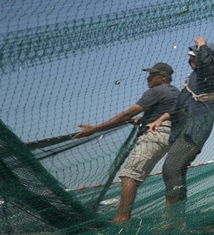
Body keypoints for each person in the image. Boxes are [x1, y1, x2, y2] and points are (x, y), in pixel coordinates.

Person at [72, 62, 179, 222]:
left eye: (152, 74)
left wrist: (94, 129)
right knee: (134, 176)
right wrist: (144, 120)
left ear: (163, 77)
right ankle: (168, 220)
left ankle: (122, 219)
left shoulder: (156, 90)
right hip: (167, 136)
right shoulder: (174, 92)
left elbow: (127, 114)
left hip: (154, 136)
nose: (148, 77)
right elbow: (168, 112)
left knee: (128, 175)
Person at [148, 36, 214, 226]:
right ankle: (178, 220)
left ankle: (170, 219)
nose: (192, 59)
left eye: (195, 56)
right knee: (177, 172)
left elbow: (207, 63)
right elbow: (179, 106)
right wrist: (161, 118)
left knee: (171, 168)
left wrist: (202, 46)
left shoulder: (212, 74)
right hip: (181, 130)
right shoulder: (193, 78)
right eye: (190, 56)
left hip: (194, 131)